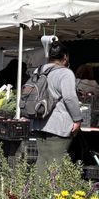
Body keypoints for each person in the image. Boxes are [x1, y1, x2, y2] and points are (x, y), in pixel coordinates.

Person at [32, 41, 83, 170]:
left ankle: (36, 190)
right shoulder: (65, 73)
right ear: (65, 57)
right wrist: (77, 119)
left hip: (39, 123)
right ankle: (53, 190)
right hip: (58, 126)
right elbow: (69, 97)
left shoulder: (39, 70)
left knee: (42, 162)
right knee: (56, 165)